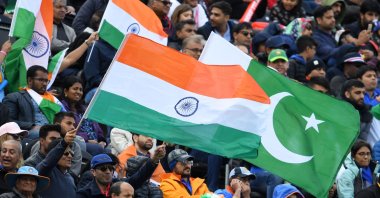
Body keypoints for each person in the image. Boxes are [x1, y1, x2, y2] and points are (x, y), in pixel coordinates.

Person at [77, 145, 166, 198]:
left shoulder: (118, 184)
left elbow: (137, 179)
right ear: (93, 172)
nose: (108, 171)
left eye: (111, 168)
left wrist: (154, 159)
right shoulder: (84, 194)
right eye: (103, 169)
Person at [2, 66, 64, 139]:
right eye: (41, 80)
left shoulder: (52, 99)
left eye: (46, 81)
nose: (44, 84)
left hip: (52, 132)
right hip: (30, 134)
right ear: (30, 80)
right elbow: (8, 122)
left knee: (76, 139)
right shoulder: (14, 97)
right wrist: (32, 126)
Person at [61, 76, 106, 155]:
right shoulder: (62, 108)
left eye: (80, 90)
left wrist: (102, 141)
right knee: (98, 149)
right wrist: (87, 140)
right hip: (78, 143)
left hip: (96, 144)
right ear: (66, 91)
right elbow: (66, 130)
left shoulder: (85, 109)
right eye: (75, 89)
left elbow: (97, 128)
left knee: (110, 152)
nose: (78, 92)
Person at [36, 128, 77, 198]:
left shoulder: (71, 178)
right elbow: (48, 163)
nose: (70, 156)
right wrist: (64, 143)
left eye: (71, 153)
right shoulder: (45, 173)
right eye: (66, 153)